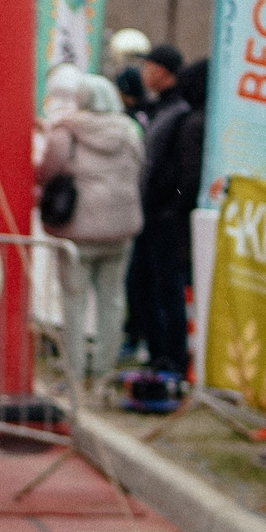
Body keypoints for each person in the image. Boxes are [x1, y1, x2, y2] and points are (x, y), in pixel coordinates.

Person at [38, 73, 145, 387]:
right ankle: (103, 371)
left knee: (74, 303)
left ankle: (73, 372)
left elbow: (47, 171)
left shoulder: (67, 130)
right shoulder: (129, 130)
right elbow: (140, 170)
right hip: (121, 230)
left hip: (77, 232)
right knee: (112, 301)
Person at [134, 50, 204, 376]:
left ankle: (171, 359)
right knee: (153, 288)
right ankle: (161, 354)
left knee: (168, 291)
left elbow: (184, 176)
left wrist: (171, 210)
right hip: (157, 215)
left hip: (166, 219)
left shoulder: (183, 118)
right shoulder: (167, 112)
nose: (144, 73)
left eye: (149, 67)